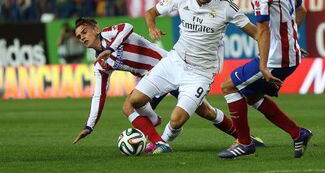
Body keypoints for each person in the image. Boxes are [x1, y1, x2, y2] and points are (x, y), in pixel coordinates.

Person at [71, 17, 264, 148]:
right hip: (150, 80)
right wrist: (90, 125)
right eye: (79, 37)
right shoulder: (100, 65)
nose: (82, 38)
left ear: (95, 29)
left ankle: (245, 138)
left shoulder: (111, 34)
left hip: (168, 67)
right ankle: (158, 142)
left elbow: (128, 27)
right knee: (129, 105)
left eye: (85, 32)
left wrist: (111, 49)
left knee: (205, 111)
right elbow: (99, 94)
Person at [127, 0, 258, 154]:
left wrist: (281, 45)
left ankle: (161, 142)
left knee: (176, 120)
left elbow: (254, 31)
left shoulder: (226, 6)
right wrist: (151, 26)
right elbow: (151, 13)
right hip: (174, 61)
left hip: (200, 72)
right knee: (135, 100)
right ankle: (155, 121)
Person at [218, 0, 312, 159]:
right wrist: (292, 38)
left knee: (229, 87)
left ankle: (244, 143)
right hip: (291, 55)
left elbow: (263, 29)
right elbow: (302, 12)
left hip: (276, 59)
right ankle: (298, 133)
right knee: (250, 95)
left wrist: (263, 65)